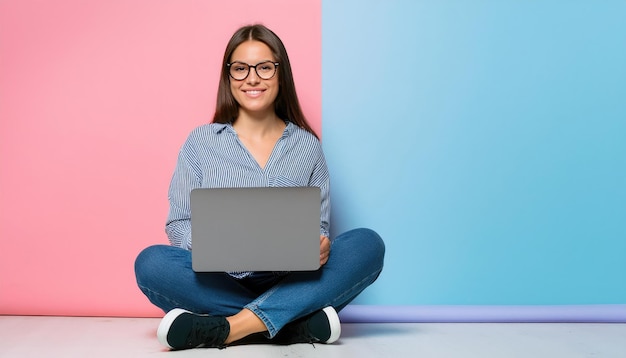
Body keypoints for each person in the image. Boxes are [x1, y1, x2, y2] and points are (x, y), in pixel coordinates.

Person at [134, 24, 385, 350]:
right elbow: (179, 224)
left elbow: (319, 227)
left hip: (291, 279)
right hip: (221, 280)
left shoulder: (307, 147)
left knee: (367, 245)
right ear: (229, 77)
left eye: (264, 67)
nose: (252, 78)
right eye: (240, 69)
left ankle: (229, 328)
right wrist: (213, 242)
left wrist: (318, 245)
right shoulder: (200, 143)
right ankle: (293, 324)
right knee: (151, 263)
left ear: (281, 75)